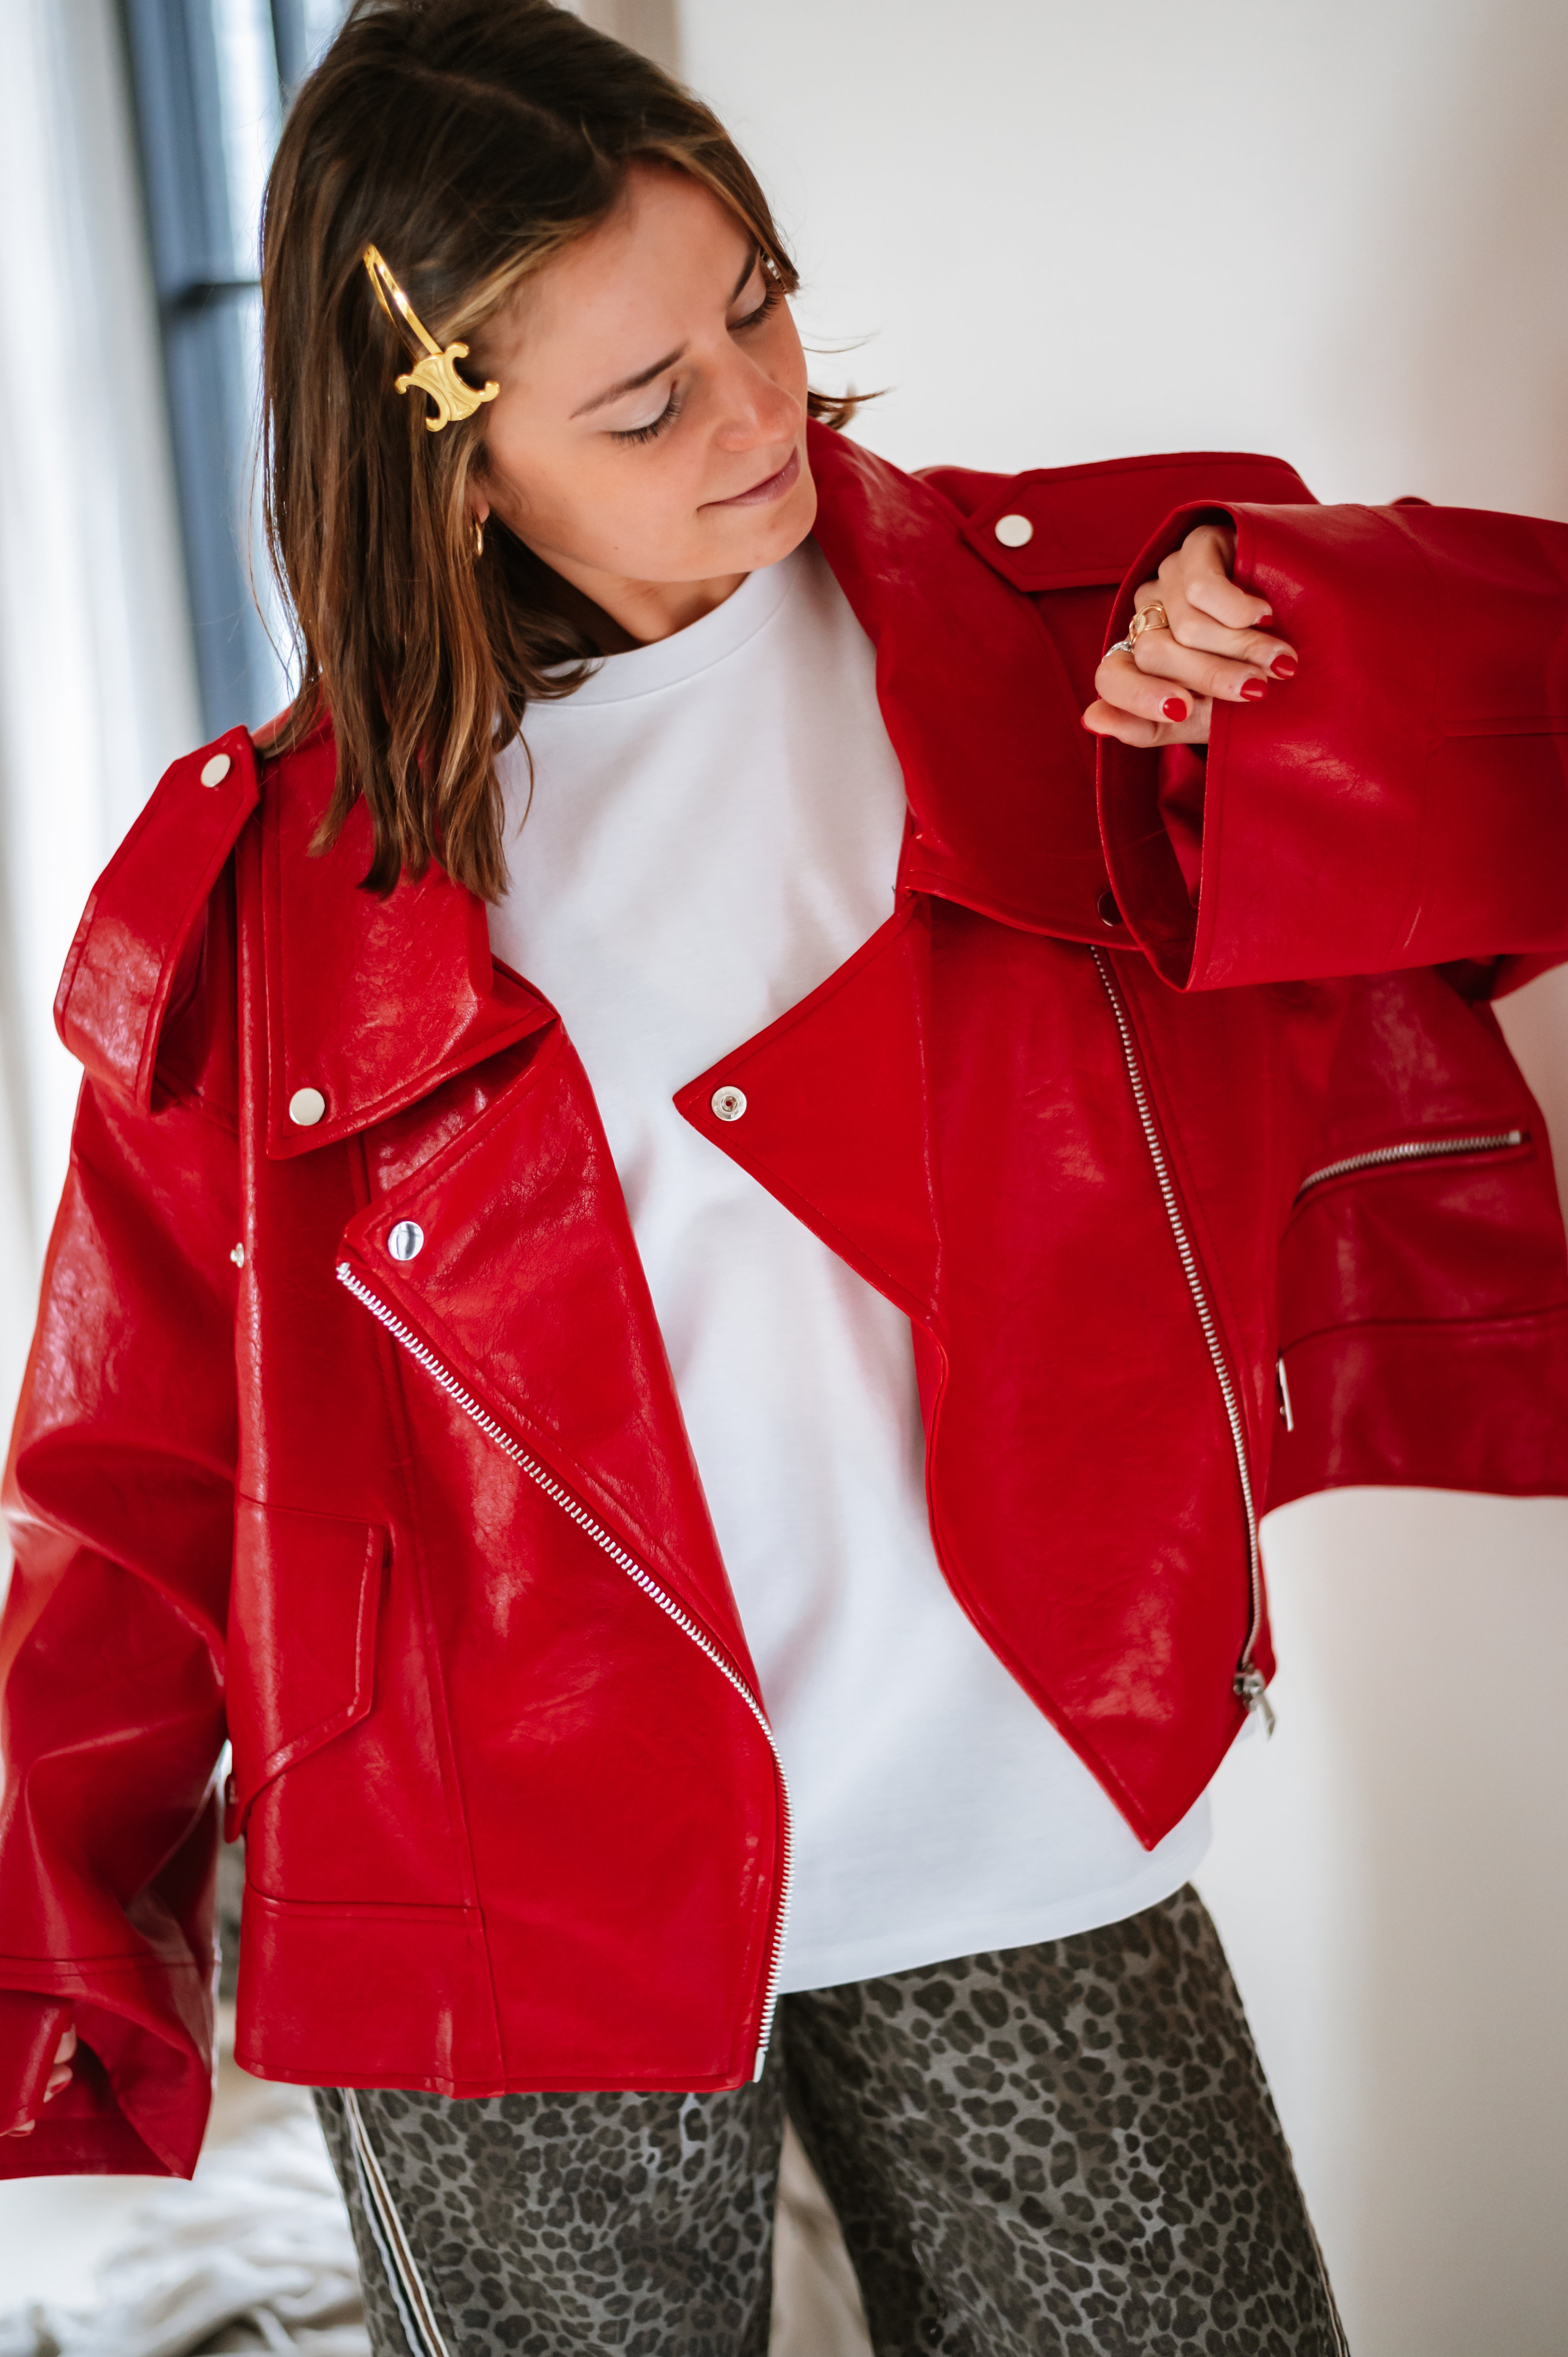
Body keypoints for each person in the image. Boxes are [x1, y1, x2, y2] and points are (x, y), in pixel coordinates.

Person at [2, 2, 1565, 2350]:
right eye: (644, 403)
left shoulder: (1077, 642)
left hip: (1022, 1813)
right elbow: (125, 1475)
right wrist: (59, 1944)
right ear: (450, 464)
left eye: (757, 307)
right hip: (499, 1905)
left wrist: (1310, 654)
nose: (759, 417)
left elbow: (1502, 824)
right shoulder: (268, 897)